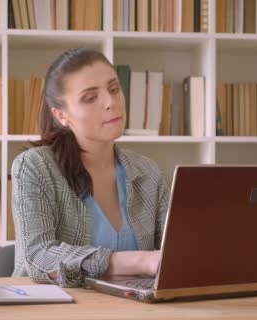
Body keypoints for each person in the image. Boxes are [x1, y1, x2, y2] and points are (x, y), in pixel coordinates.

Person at [11, 48, 170, 287]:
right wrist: (141, 261)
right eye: (90, 97)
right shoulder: (35, 167)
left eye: (114, 89)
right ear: (61, 115)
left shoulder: (147, 171)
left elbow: (174, 254)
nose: (111, 102)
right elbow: (37, 257)